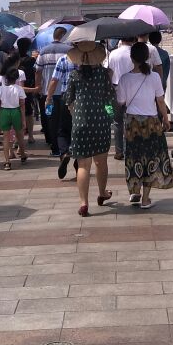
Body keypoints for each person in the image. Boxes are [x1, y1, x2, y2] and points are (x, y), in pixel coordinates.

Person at [116, 41, 173, 209]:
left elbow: (120, 102)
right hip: (151, 122)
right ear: (148, 57)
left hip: (132, 123)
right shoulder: (154, 77)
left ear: (131, 58)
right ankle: (146, 199)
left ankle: (135, 191)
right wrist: (165, 118)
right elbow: (160, 100)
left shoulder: (125, 78)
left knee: (133, 157)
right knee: (150, 157)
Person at [62, 42, 114, 216]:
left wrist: (75, 115)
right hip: (100, 122)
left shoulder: (75, 75)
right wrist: (109, 115)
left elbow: (68, 100)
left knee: (84, 165)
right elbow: (109, 100)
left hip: (80, 122)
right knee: (101, 162)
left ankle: (84, 203)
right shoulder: (104, 75)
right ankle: (102, 193)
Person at [107, 33, 162, 160]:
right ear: (133, 39)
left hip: (117, 88)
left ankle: (119, 150)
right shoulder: (137, 51)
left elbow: (109, 72)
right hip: (135, 90)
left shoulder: (114, 54)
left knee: (117, 122)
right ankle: (129, 149)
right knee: (131, 123)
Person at [36, 27, 70, 154]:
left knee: (51, 120)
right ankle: (66, 146)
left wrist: (38, 86)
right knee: (65, 121)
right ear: (63, 36)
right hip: (65, 93)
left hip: (47, 94)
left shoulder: (43, 51)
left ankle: (55, 148)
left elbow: (38, 71)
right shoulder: (69, 51)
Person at [45, 50, 76, 177]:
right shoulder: (89, 60)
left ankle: (64, 153)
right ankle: (79, 161)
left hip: (66, 98)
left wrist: (48, 98)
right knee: (78, 130)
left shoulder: (64, 59)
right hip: (83, 100)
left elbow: (54, 80)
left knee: (62, 130)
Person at [0, 67, 27, 170]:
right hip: (16, 112)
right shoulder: (19, 89)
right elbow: (22, 105)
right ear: (16, 77)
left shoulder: (1, 89)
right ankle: (23, 155)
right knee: (19, 135)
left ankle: (7, 161)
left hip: (4, 112)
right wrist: (24, 119)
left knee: (6, 138)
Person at [16, 37, 37, 144]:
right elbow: (35, 74)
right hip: (27, 89)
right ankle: (31, 136)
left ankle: (17, 139)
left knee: (16, 112)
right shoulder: (31, 60)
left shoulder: (13, 59)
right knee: (28, 113)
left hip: (14, 89)